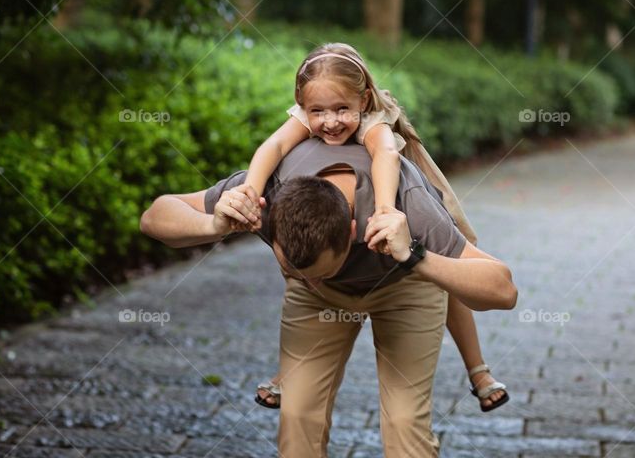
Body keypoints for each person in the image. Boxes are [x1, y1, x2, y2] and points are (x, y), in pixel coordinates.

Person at [140, 137, 517, 456]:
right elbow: (154, 216)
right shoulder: (267, 191)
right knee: (298, 419)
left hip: (404, 286)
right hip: (320, 304)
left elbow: (504, 290)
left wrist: (415, 256)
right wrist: (212, 223)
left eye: (320, 273)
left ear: (353, 231)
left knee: (406, 426)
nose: (309, 280)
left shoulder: (409, 204)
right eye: (292, 270)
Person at [239, 43, 509, 413]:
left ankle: (478, 369)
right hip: (332, 203)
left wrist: (384, 209)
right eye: (318, 111)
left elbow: (386, 155)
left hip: (403, 193)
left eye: (341, 110)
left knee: (450, 270)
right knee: (305, 259)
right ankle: (291, 372)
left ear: (363, 100)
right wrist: (250, 191)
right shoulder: (311, 112)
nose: (330, 121)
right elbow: (274, 145)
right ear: (302, 103)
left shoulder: (372, 120)